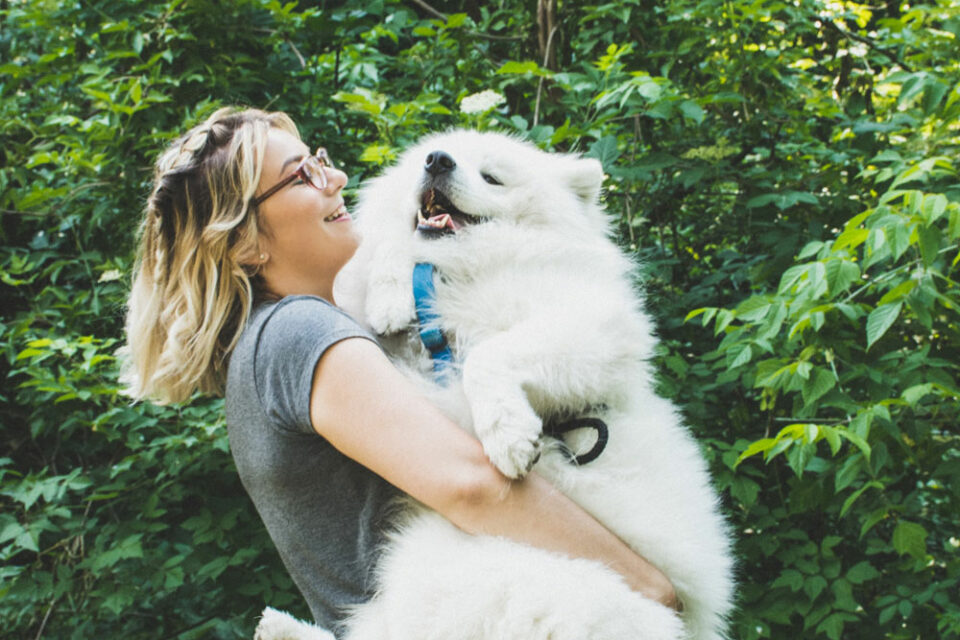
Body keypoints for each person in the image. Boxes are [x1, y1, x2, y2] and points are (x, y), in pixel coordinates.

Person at [123, 106, 678, 636]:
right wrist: (652, 588)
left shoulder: (273, 340)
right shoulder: (299, 332)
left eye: (319, 161)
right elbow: (471, 486)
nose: (335, 178)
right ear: (245, 243)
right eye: (301, 178)